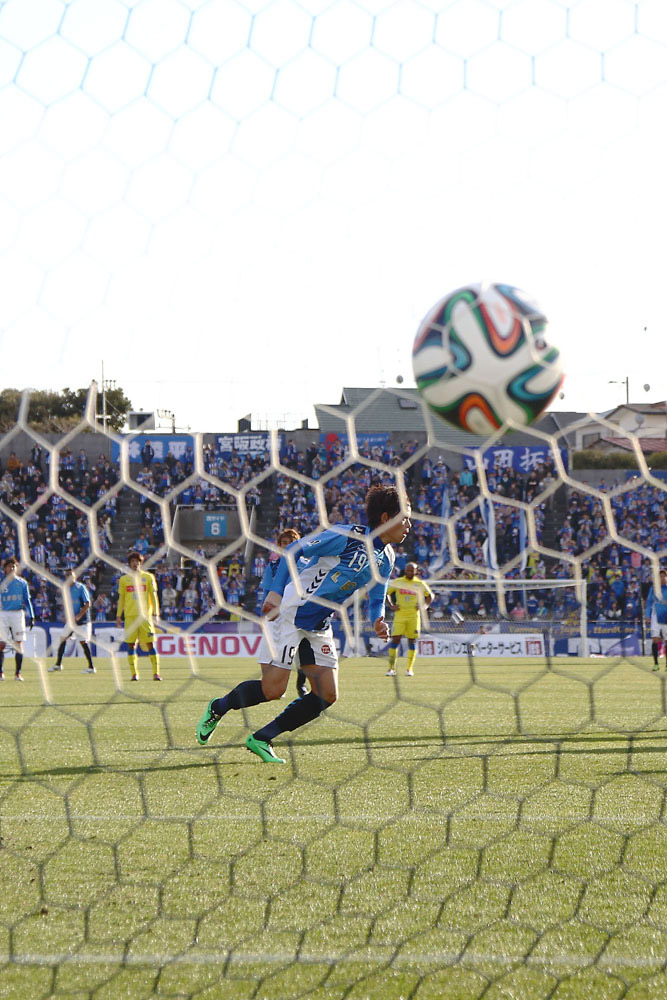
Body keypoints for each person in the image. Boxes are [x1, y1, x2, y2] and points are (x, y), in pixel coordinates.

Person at [196, 485, 412, 763]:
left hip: (319, 624)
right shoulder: (347, 537)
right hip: (290, 612)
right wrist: (275, 591)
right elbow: (294, 549)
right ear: (385, 518)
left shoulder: (387, 557)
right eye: (405, 518)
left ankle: (262, 737)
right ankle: (218, 707)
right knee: (273, 690)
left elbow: (377, 595)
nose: (409, 525)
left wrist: (378, 619)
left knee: (327, 694)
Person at [258, 528, 309, 697]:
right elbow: (267, 592)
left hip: (298, 614)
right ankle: (273, 685)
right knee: (271, 651)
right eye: (284, 543)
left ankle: (301, 684)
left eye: (291, 543)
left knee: (300, 652)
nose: (287, 546)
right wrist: (264, 615)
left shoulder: (306, 565)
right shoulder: (273, 567)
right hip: (277, 615)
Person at [116, 550, 161, 681]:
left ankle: (156, 673)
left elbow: (153, 596)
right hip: (130, 617)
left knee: (150, 644)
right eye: (133, 561)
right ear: (129, 564)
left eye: (137, 561)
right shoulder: (124, 580)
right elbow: (121, 599)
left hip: (145, 617)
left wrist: (156, 613)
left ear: (141, 563)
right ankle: (134, 674)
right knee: (131, 645)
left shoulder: (148, 577)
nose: (135, 564)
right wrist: (118, 615)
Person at [385, 562, 433, 677]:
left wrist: (424, 607)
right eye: (408, 570)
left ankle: (409, 669)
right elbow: (386, 593)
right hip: (400, 616)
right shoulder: (398, 582)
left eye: (412, 570)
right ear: (405, 570)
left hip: (414, 616)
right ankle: (391, 669)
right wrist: (391, 606)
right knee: (395, 640)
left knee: (412, 641)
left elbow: (430, 596)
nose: (410, 572)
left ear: (416, 571)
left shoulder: (420, 583)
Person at [49, 568, 95, 673]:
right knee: (63, 639)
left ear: (75, 576)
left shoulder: (80, 587)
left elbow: (87, 604)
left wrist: (78, 616)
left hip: (82, 620)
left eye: (71, 575)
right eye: (67, 575)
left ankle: (91, 667)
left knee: (83, 642)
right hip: (71, 621)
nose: (69, 577)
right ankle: (58, 665)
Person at [0, 557, 34, 681]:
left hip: (17, 614)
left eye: (13, 566)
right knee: (1, 644)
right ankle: (0, 673)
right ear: (5, 569)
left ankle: (17, 674)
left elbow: (27, 600)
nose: (12, 568)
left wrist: (32, 615)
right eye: (9, 566)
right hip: (3, 614)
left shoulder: (22, 583)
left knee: (18, 644)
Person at [645, 567, 667, 671]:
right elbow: (649, 602)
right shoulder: (654, 588)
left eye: (664, 576)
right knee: (655, 639)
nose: (662, 578)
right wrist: (647, 615)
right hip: (655, 616)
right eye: (660, 576)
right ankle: (656, 664)